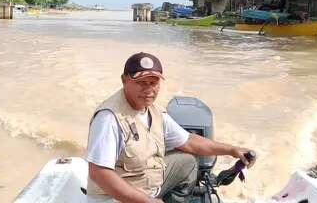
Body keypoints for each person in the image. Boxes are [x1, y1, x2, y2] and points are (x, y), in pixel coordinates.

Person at [87, 52, 255, 203]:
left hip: (146, 184)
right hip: (115, 198)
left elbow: (189, 141)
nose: (149, 90)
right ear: (124, 80)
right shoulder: (109, 118)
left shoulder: (154, 111)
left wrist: (232, 150)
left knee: (187, 161)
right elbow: (100, 174)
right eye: (141, 82)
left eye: (154, 82)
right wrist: (147, 202)